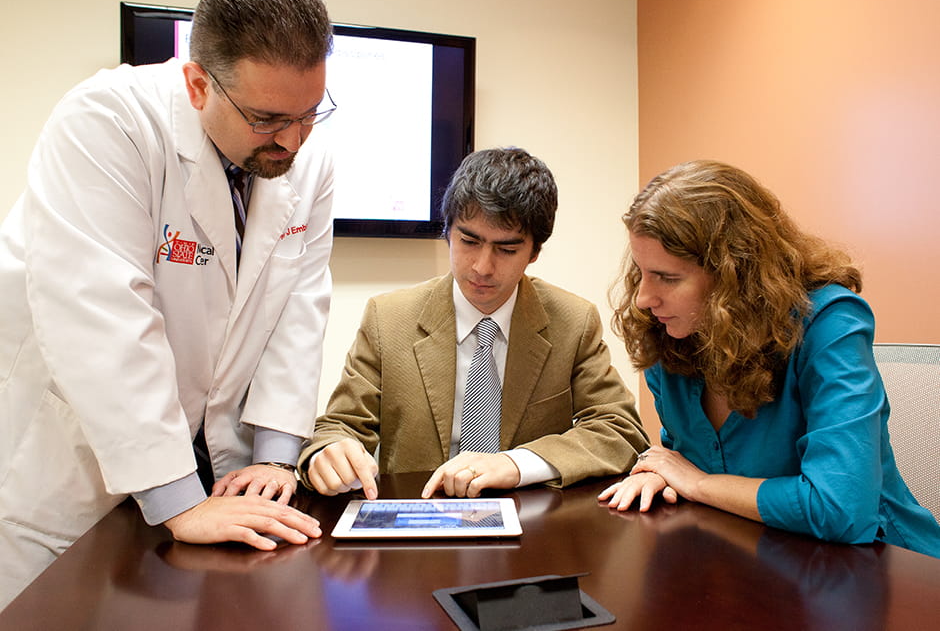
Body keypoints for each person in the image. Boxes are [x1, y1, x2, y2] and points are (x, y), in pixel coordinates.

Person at [0, 0, 335, 607]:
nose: (293, 140)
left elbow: (301, 302)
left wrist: (274, 454)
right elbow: (99, 313)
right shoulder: (107, 122)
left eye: (310, 113)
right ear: (197, 82)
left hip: (206, 451)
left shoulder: (305, 155)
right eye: (269, 118)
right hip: (73, 452)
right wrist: (178, 499)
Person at [599, 160, 940, 557]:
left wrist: (697, 483)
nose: (643, 298)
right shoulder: (671, 332)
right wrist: (663, 474)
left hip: (884, 570)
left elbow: (841, 510)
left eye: (668, 278)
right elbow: (683, 457)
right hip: (755, 560)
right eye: (641, 272)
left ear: (735, 273)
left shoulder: (830, 323)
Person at [300, 147, 648, 500]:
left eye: (507, 250)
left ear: (535, 252)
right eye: (469, 241)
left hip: (531, 527)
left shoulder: (572, 322)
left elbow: (620, 432)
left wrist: (516, 465)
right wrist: (328, 451)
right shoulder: (388, 319)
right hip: (418, 521)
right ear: (448, 232)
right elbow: (339, 425)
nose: (482, 267)